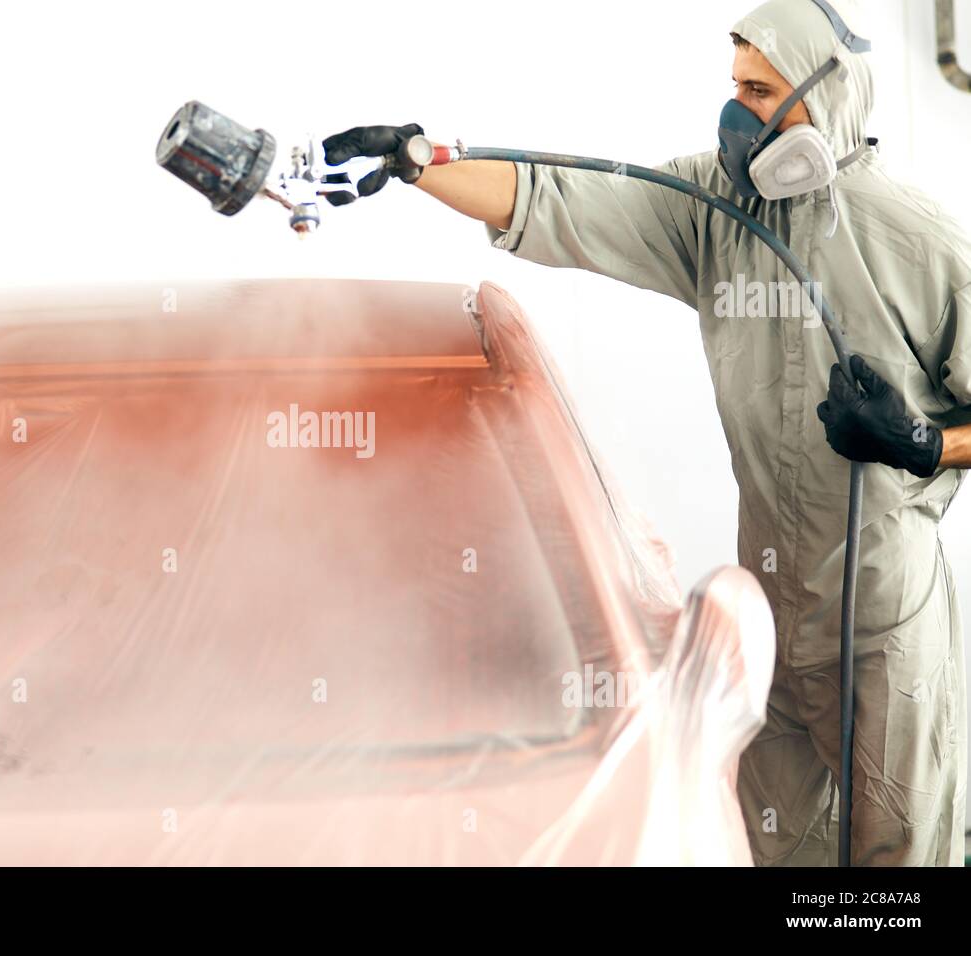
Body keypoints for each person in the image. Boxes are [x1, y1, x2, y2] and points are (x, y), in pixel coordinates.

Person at [322, 0, 970, 866]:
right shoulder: (715, 209)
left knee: (900, 857)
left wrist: (921, 444)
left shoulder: (920, 241)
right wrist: (420, 161)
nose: (736, 108)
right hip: (773, 616)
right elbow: (563, 200)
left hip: (884, 621)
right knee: (770, 844)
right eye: (733, 86)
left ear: (828, 99)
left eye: (758, 88)